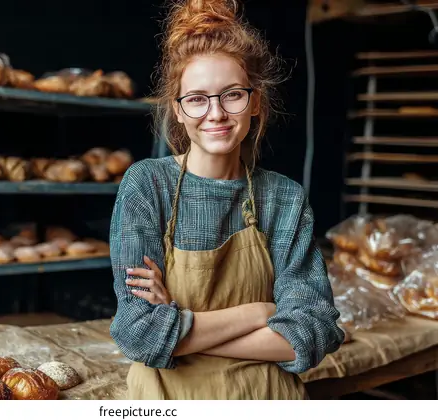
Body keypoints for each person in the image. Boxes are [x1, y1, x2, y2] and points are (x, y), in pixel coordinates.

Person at [109, 0, 344, 400]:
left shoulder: (283, 198)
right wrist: (258, 313)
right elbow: (139, 334)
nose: (215, 113)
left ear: (254, 103)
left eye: (232, 94)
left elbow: (312, 332)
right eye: (197, 99)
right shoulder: (148, 186)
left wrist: (182, 325)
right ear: (178, 111)